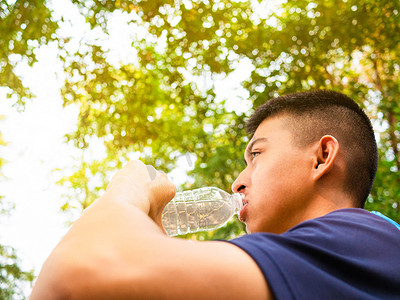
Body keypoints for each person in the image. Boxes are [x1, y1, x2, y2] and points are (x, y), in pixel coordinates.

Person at [30, 90, 400, 299]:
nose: (237, 183)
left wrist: (126, 190)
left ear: (321, 157)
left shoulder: (365, 239)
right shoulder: (317, 273)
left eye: (256, 154)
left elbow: (76, 278)